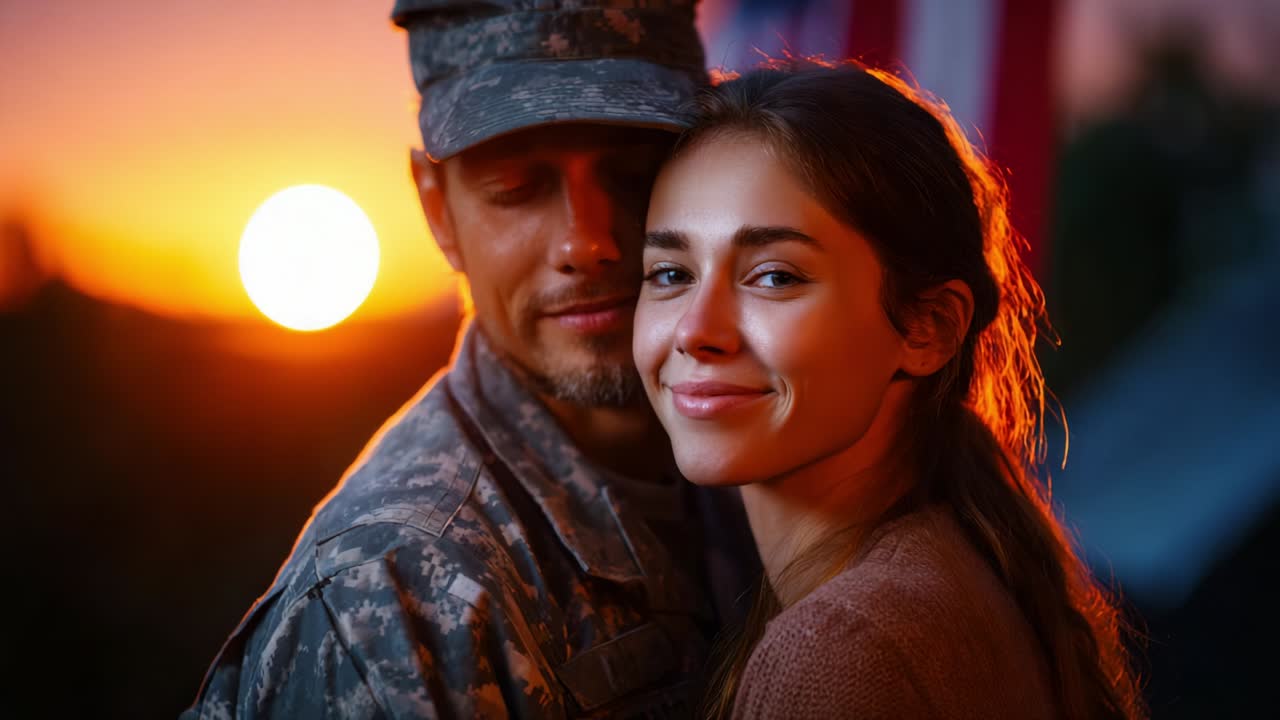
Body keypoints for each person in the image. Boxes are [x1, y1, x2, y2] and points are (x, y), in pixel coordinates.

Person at [183, 2, 757, 718]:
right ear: (438, 212)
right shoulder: (390, 598)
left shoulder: (774, 437)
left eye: (638, 174)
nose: (589, 241)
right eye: (516, 188)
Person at [634, 60, 1147, 719]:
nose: (696, 332)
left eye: (774, 277)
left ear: (929, 328)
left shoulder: (840, 650)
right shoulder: (956, 567)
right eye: (671, 272)